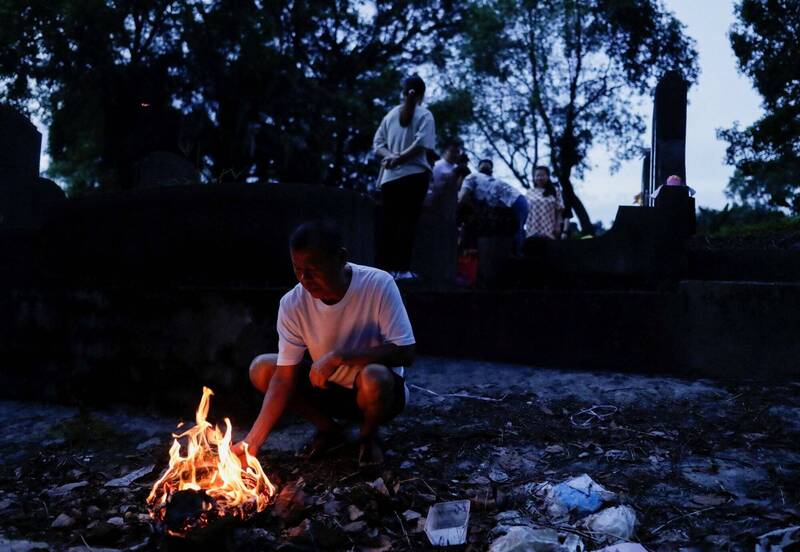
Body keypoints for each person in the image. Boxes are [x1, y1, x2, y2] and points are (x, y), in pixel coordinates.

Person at [233, 221, 416, 467]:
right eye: (298, 269)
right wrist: (252, 442)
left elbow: (406, 352)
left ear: (341, 258)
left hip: (379, 395)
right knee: (262, 368)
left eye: (313, 269)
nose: (305, 279)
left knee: (375, 377)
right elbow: (284, 379)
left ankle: (367, 436)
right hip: (327, 389)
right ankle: (330, 430)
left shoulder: (378, 284)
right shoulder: (292, 303)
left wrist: (340, 357)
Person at [373, 74, 436, 280]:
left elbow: (377, 144)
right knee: (407, 223)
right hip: (414, 175)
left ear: (403, 92)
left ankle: (384, 270)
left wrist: (391, 157)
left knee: (388, 224)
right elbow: (421, 144)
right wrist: (400, 158)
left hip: (390, 178)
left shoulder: (390, 115)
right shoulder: (425, 115)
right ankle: (402, 269)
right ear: (422, 95)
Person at [459, 160, 528, 252]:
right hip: (518, 201)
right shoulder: (485, 181)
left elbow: (462, 198)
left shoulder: (469, 177)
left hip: (514, 202)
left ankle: (519, 254)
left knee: (517, 233)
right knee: (514, 233)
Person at [524, 166, 565, 240]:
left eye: (542, 175)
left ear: (548, 176)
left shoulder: (555, 191)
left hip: (549, 230)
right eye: (537, 175)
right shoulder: (529, 192)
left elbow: (559, 210)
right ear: (534, 178)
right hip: (531, 230)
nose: (540, 178)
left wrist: (558, 225)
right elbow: (525, 210)